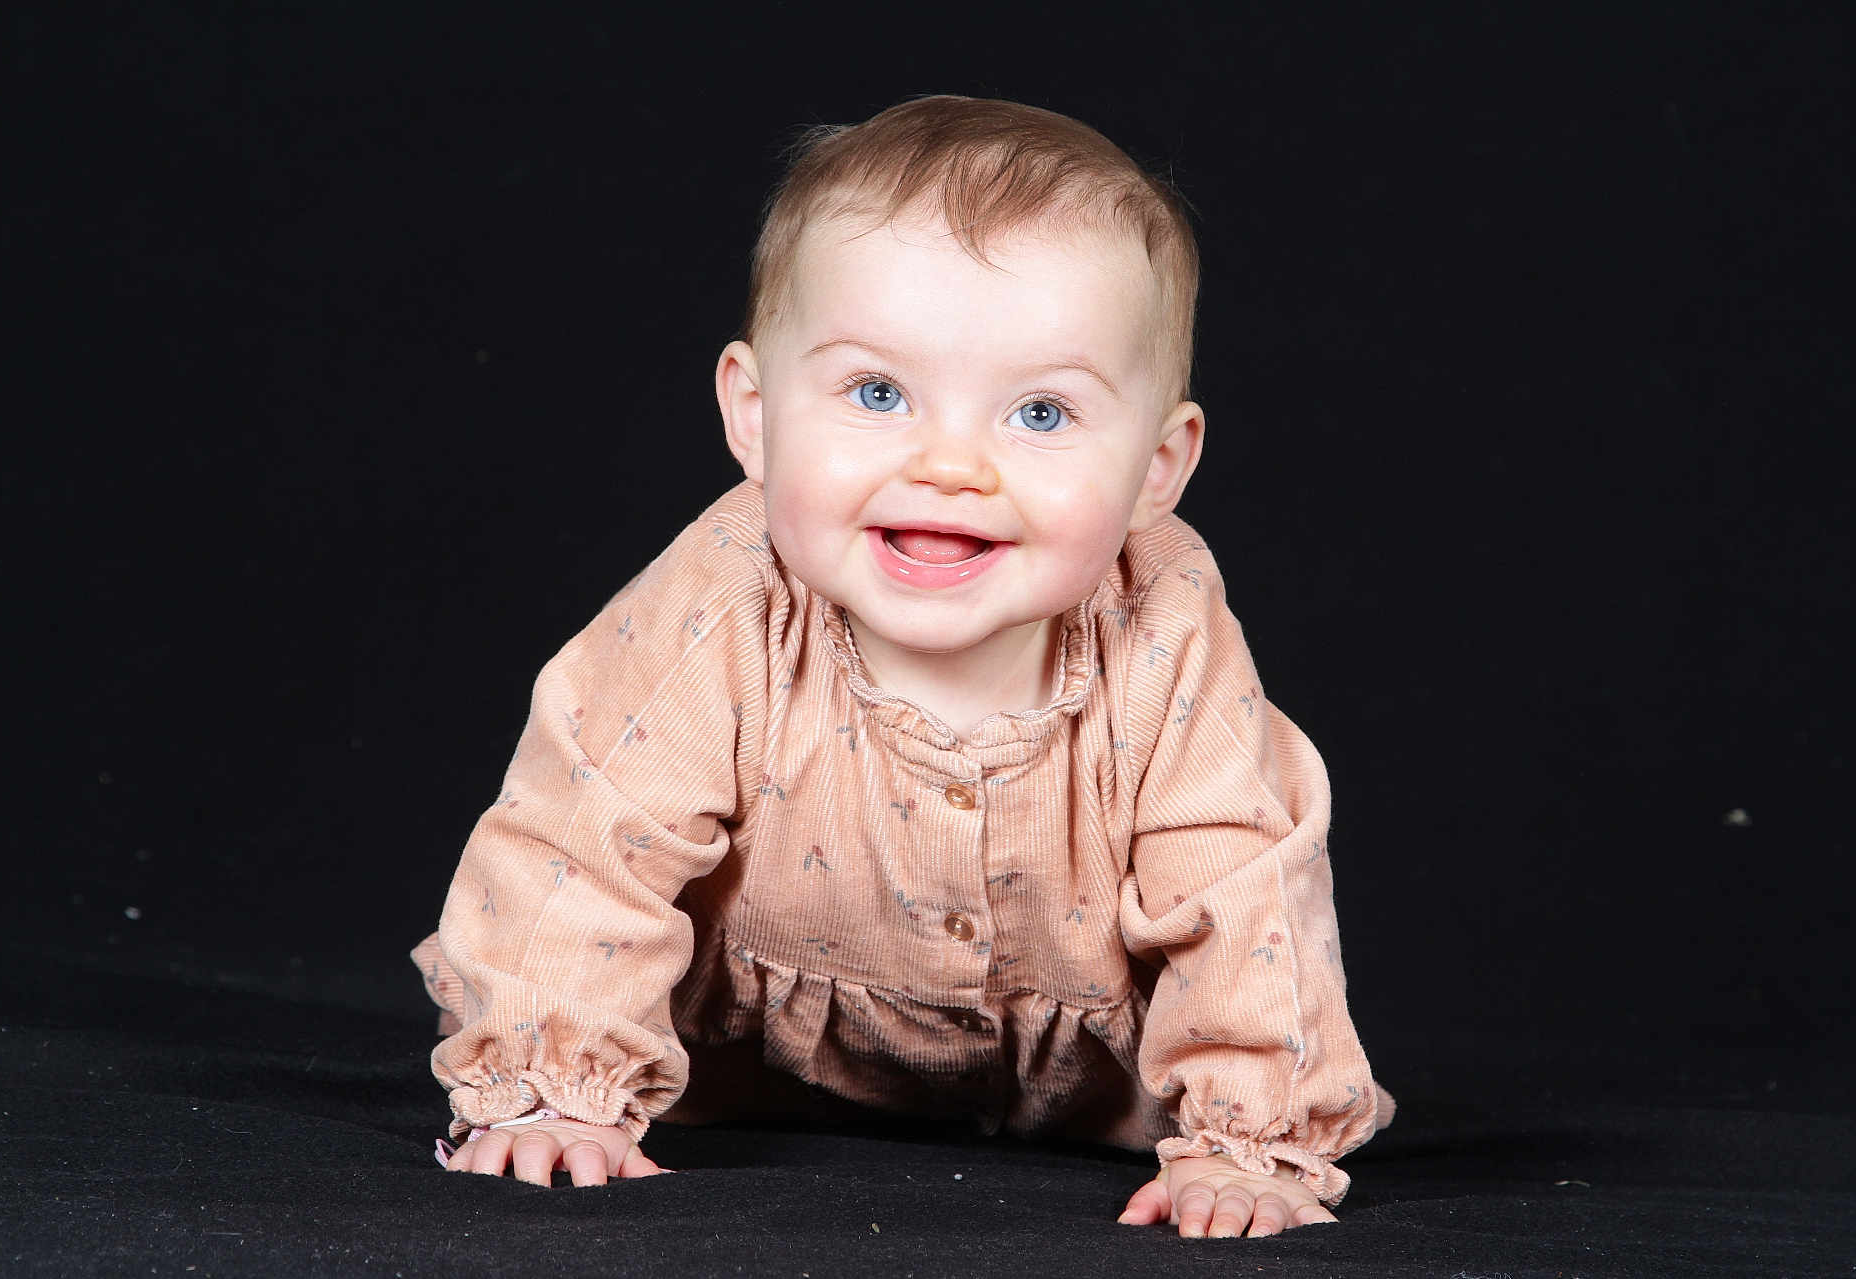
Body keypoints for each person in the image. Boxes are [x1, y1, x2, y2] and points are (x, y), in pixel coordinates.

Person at [411, 93, 1396, 1240]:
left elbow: (1245, 886)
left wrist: (1250, 1146)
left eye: (1039, 411)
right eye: (878, 394)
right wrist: (551, 1091)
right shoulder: (726, 603)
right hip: (745, 1083)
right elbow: (582, 840)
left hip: (1092, 1103)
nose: (951, 466)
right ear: (756, 413)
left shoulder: (1162, 632)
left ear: (1157, 469)